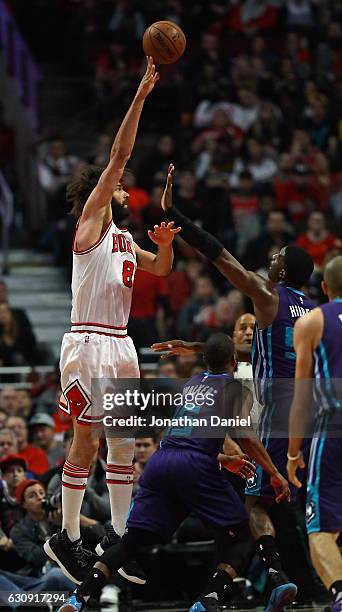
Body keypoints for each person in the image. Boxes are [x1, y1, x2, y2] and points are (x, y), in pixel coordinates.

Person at [44, 57, 180, 586]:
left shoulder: (125, 240)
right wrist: (140, 97)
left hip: (120, 344)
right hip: (87, 342)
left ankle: (120, 538)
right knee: (87, 441)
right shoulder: (91, 225)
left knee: (122, 442)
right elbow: (119, 155)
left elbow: (160, 269)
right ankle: (68, 535)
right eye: (119, 187)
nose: (126, 190)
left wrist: (164, 248)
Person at [154, 163, 315, 608]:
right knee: (285, 503)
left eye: (279, 254)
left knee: (253, 507)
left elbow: (220, 256)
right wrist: (193, 344)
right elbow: (272, 355)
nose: (273, 256)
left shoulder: (268, 295)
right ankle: (277, 578)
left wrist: (177, 214)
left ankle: (264, 580)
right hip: (310, 411)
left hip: (275, 410)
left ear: (284, 271)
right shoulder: (313, 310)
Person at [56, 333, 291, 612]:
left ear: (205, 361)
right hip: (194, 465)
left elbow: (188, 435)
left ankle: (78, 597)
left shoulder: (192, 384)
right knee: (240, 534)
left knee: (133, 541)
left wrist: (221, 458)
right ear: (232, 360)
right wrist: (274, 473)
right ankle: (208, 600)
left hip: (162, 460)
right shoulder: (236, 388)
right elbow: (246, 437)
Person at [287, 255, 342, 612]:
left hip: (333, 426)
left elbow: (301, 397)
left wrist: (294, 453)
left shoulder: (311, 321)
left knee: (320, 526)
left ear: (324, 288)